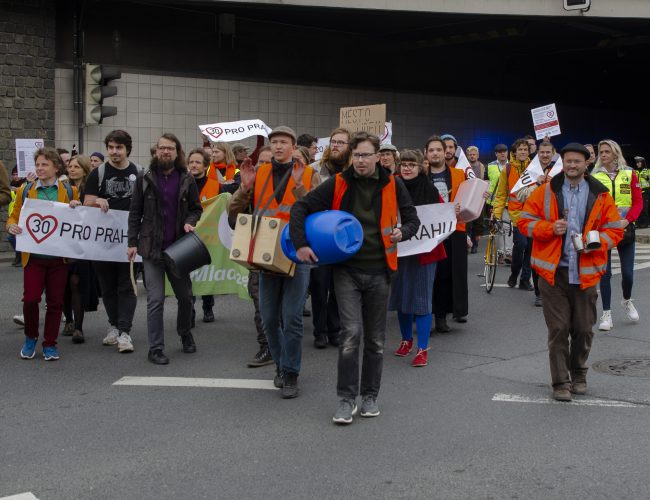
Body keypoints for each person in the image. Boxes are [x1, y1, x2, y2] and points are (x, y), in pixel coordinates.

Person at [290, 131, 420, 424]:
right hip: (347, 271)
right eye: (356, 155)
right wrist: (301, 244)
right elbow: (300, 208)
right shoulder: (338, 182)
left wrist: (404, 232)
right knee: (351, 336)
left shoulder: (393, 184)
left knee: (375, 340)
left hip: (381, 271)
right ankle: (346, 400)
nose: (360, 161)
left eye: (366, 155)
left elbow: (412, 219)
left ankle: (370, 396)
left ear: (378, 156)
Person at [518, 143, 624, 401]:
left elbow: (615, 229)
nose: (572, 165)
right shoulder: (545, 192)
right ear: (562, 163)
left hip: (586, 273)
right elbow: (524, 221)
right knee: (559, 329)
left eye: (577, 161)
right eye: (568, 161)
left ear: (587, 163)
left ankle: (579, 374)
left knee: (584, 329)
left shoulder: (600, 195)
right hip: (554, 274)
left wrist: (596, 241)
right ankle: (561, 383)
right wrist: (549, 228)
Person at [229, 126, 320, 398]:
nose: (279, 146)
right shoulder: (260, 173)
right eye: (275, 142)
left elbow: (316, 213)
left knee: (292, 318)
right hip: (265, 251)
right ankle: (281, 365)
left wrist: (300, 184)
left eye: (284, 142)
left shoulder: (309, 174)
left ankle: (290, 372)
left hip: (296, 251)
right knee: (269, 319)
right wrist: (244, 188)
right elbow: (234, 215)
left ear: (293, 147)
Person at [128, 133, 203, 365]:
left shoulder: (187, 179)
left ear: (177, 152)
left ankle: (184, 332)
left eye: (170, 148)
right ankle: (156, 348)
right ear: (156, 151)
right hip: (151, 249)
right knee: (155, 300)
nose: (165, 152)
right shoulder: (144, 178)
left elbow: (196, 208)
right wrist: (132, 242)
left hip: (179, 249)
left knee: (185, 297)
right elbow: (135, 213)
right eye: (161, 148)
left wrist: (191, 220)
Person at [6, 147, 79, 361]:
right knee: (30, 299)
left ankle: (50, 343)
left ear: (56, 167)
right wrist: (10, 226)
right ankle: (31, 337)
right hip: (34, 256)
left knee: (56, 302)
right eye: (37, 164)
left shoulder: (70, 191)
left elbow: (81, 219)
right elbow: (14, 216)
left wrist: (77, 206)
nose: (40, 168)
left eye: (44, 164)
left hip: (59, 258)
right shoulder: (26, 190)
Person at [83, 130, 139, 353]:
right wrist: (98, 200)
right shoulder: (98, 173)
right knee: (107, 287)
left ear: (127, 149)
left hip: (128, 239)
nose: (114, 152)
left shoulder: (139, 173)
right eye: (111, 147)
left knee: (127, 285)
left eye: (119, 148)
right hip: (103, 241)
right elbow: (86, 202)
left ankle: (125, 331)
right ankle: (114, 326)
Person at [389, 150, 446, 367]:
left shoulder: (429, 189)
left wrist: (454, 211)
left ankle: (422, 348)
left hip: (424, 253)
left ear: (420, 167)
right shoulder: (391, 186)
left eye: (411, 164)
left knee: (421, 299)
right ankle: (406, 341)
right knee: (402, 297)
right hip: (400, 251)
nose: (407, 168)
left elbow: (443, 214)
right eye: (403, 164)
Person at [591, 139, 643, 331]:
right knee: (605, 274)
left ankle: (627, 300)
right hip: (604, 231)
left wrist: (627, 220)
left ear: (615, 153)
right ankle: (606, 314)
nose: (603, 155)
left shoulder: (630, 173)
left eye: (606, 151)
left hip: (626, 229)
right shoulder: (594, 175)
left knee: (628, 274)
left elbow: (638, 202)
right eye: (601, 152)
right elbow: (590, 203)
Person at [308, 128, 352, 349]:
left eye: (341, 143)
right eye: (333, 141)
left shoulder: (355, 172)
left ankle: (335, 329)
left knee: (339, 286)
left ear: (349, 147)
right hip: (320, 236)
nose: (336, 145)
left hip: (344, 237)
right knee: (319, 285)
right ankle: (320, 331)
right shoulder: (314, 169)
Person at [426, 135, 469, 332]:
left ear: (446, 153)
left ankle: (441, 317)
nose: (435, 153)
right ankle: (424, 316)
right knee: (427, 276)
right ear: (426, 154)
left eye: (438, 150)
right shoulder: (420, 175)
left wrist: (480, 195)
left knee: (446, 274)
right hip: (427, 232)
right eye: (431, 150)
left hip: (454, 230)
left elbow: (470, 197)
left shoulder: (459, 174)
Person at [187, 148, 232, 325]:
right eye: (191, 162)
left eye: (198, 162)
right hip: (187, 234)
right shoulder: (183, 184)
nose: (194, 165)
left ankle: (207, 307)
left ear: (206, 165)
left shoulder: (216, 186)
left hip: (209, 237)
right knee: (188, 274)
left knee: (206, 271)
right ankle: (188, 309)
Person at [515, 140, 558, 307]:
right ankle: (539, 293)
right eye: (542, 152)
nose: (545, 155)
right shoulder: (531, 171)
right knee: (537, 258)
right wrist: (538, 184)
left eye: (548, 152)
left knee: (556, 256)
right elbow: (520, 196)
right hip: (536, 222)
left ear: (553, 152)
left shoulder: (560, 169)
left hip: (555, 222)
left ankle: (554, 290)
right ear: (538, 153)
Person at [62, 155, 98, 344]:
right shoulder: (63, 188)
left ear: (84, 169)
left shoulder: (90, 190)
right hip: (63, 243)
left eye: (76, 166)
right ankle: (68, 319)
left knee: (76, 283)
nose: (72, 169)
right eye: (70, 166)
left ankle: (78, 327)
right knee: (63, 285)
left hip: (82, 244)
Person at [245, 146, 275, 368]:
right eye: (260, 163)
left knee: (283, 308)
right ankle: (265, 346)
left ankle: (279, 343)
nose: (264, 167)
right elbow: (232, 216)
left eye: (269, 162)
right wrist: (244, 189)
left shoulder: (286, 184)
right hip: (257, 249)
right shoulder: (250, 185)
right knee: (260, 301)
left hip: (283, 250)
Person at [493, 138, 533, 291]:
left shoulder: (534, 168)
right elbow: (502, 194)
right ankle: (514, 273)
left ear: (528, 152)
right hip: (516, 215)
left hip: (534, 215)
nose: (523, 152)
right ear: (514, 152)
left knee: (530, 248)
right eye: (520, 149)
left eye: (525, 149)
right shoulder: (507, 169)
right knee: (520, 245)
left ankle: (524, 280)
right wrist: (497, 214)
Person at [486, 144, 512, 263]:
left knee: (508, 227)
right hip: (494, 202)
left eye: (504, 151)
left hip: (508, 202)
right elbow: (486, 182)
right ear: (496, 154)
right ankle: (501, 253)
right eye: (499, 152)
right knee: (499, 228)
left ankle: (508, 252)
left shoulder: (512, 165)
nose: (502, 153)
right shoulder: (490, 166)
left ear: (507, 152)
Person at [466, 145, 486, 253]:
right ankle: (468, 243)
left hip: (479, 197)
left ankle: (475, 244)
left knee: (478, 222)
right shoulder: (464, 166)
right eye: (470, 155)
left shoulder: (483, 167)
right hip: (468, 197)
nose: (472, 156)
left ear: (477, 155)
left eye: (474, 154)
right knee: (468, 222)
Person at [634, 156, 649, 228]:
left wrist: (648, 178)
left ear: (642, 163)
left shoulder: (648, 171)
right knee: (638, 208)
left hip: (646, 191)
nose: (637, 164)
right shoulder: (635, 172)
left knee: (645, 208)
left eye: (638, 162)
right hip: (638, 192)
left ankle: (646, 223)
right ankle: (639, 223)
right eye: (636, 163)